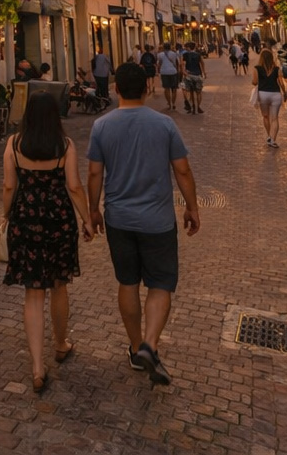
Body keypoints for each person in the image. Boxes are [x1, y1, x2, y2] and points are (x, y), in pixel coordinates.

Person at [86, 61, 199, 387]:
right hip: (158, 221)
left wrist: (93, 211)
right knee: (160, 284)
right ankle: (151, 342)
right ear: (147, 88)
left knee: (128, 282)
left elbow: (94, 173)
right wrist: (191, 207)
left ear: (116, 89)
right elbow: (182, 170)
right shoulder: (164, 125)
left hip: (119, 218)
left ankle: (136, 348)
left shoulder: (102, 127)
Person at [2, 93, 92, 394]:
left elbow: (8, 186)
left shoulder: (14, 144)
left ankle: (38, 367)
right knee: (59, 284)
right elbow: (74, 186)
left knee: (33, 293)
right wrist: (88, 218)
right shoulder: (64, 145)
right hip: (58, 221)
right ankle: (60, 343)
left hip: (26, 220)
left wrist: (6, 216)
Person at [254, 48, 287, 148]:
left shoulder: (257, 68)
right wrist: (285, 92)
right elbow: (281, 82)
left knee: (265, 116)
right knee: (275, 118)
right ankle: (273, 139)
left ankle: (269, 135)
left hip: (263, 93)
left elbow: (254, 82)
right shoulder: (276, 68)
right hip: (275, 94)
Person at [180, 42, 206, 115]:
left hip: (188, 75)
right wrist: (204, 72)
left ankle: (191, 106)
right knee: (198, 92)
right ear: (194, 47)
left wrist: (183, 72)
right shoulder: (198, 55)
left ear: (188, 47)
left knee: (189, 91)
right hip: (197, 74)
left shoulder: (184, 55)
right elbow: (202, 63)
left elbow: (181, 64)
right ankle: (198, 107)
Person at [156, 43, 181, 112]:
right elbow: (178, 63)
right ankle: (173, 103)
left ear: (164, 47)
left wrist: (158, 71)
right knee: (174, 89)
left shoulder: (160, 55)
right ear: (170, 47)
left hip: (164, 72)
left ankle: (169, 104)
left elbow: (159, 64)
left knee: (166, 88)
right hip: (173, 71)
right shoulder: (174, 54)